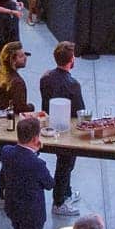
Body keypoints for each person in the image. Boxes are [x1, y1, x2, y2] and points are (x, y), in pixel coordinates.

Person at [37, 42, 87, 216]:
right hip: (66, 130)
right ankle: (59, 202)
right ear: (71, 60)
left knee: (64, 164)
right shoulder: (73, 84)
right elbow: (79, 111)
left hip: (48, 125)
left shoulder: (45, 78)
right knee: (65, 164)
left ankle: (66, 193)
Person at [0, 113, 55, 229]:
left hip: (12, 208)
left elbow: (22, 156)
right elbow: (50, 184)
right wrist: (35, 152)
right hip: (32, 214)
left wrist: (34, 151)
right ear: (35, 139)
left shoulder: (6, 152)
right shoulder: (37, 164)